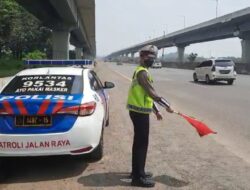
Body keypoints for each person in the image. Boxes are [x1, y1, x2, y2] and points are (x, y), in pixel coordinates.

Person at [127, 45, 174, 188]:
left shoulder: (143, 71)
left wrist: (156, 110)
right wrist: (166, 106)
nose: (151, 60)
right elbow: (152, 93)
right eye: (148, 57)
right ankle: (137, 178)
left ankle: (138, 171)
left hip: (139, 111)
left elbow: (146, 95)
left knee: (139, 143)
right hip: (139, 113)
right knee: (141, 144)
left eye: (153, 57)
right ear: (142, 57)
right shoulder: (142, 73)